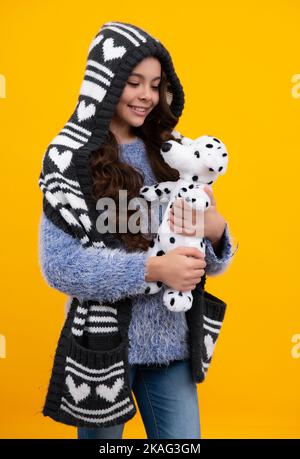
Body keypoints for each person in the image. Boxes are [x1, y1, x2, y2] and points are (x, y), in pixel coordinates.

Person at [38, 21, 234, 440]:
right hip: (104, 348)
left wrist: (216, 232)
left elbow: (200, 255)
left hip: (172, 347)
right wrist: (153, 269)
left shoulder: (175, 152)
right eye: (133, 82)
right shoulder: (69, 160)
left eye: (156, 84)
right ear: (104, 82)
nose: (147, 95)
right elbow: (60, 265)